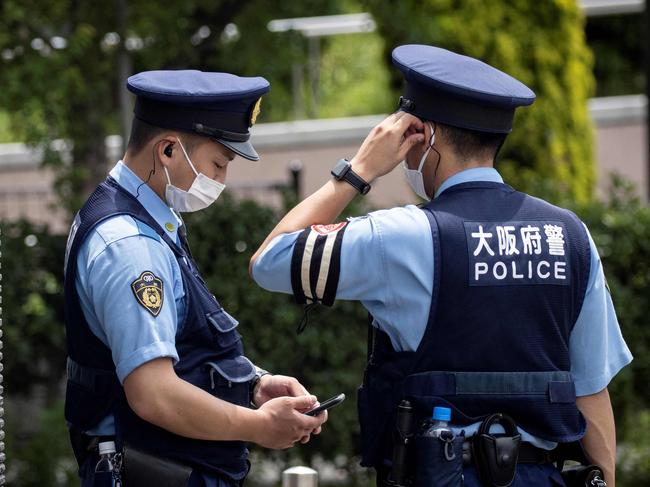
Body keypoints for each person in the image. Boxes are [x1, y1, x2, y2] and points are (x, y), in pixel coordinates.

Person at [250, 45, 632, 486]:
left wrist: (357, 170)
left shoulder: (399, 236)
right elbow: (591, 390)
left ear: (422, 136)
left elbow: (269, 260)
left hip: (439, 474)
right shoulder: (571, 236)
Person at [64, 70, 327, 487]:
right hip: (155, 469)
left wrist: (253, 385)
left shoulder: (144, 220)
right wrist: (259, 426)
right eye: (217, 163)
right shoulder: (131, 245)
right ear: (168, 149)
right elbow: (154, 394)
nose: (220, 180)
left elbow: (187, 355)